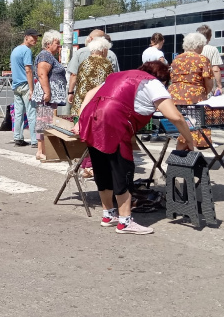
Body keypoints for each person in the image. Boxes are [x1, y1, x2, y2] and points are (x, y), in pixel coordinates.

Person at [75, 62, 196, 235]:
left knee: (102, 167)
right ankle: (124, 222)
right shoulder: (152, 82)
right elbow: (175, 116)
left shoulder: (118, 75)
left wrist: (80, 119)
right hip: (113, 120)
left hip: (92, 117)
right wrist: (189, 139)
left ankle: (108, 215)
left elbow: (89, 93)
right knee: (121, 167)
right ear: (162, 78)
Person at [169, 32, 214, 150]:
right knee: (193, 126)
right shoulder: (202, 59)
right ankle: (184, 158)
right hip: (193, 98)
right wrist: (204, 93)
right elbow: (208, 83)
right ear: (198, 46)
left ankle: (183, 155)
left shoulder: (176, 59)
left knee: (182, 127)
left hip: (174, 98)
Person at [32, 30, 68, 161]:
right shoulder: (45, 56)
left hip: (50, 95)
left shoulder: (49, 56)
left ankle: (44, 150)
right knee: (43, 121)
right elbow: (42, 74)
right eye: (57, 43)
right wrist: (47, 92)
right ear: (48, 44)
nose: (59, 46)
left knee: (46, 121)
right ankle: (41, 151)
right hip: (47, 95)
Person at [67, 29, 120, 96]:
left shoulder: (80, 53)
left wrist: (70, 92)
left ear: (90, 39)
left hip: (83, 94)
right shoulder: (111, 54)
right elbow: (114, 77)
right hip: (103, 94)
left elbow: (74, 75)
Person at [71, 37, 114, 115]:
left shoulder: (84, 63)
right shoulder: (106, 64)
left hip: (80, 104)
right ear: (103, 50)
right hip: (95, 105)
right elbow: (111, 82)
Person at [11, 30, 38, 148]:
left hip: (16, 85)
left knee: (19, 113)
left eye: (36, 38)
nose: (35, 40)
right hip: (25, 85)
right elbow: (28, 70)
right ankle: (35, 140)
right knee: (31, 113)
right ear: (26, 37)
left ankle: (18, 138)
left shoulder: (15, 50)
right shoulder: (27, 51)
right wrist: (32, 89)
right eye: (33, 38)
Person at [196, 24, 223, 96]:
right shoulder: (213, 49)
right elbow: (216, 69)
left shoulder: (191, 49)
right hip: (209, 86)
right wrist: (219, 86)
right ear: (210, 37)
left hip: (194, 85)